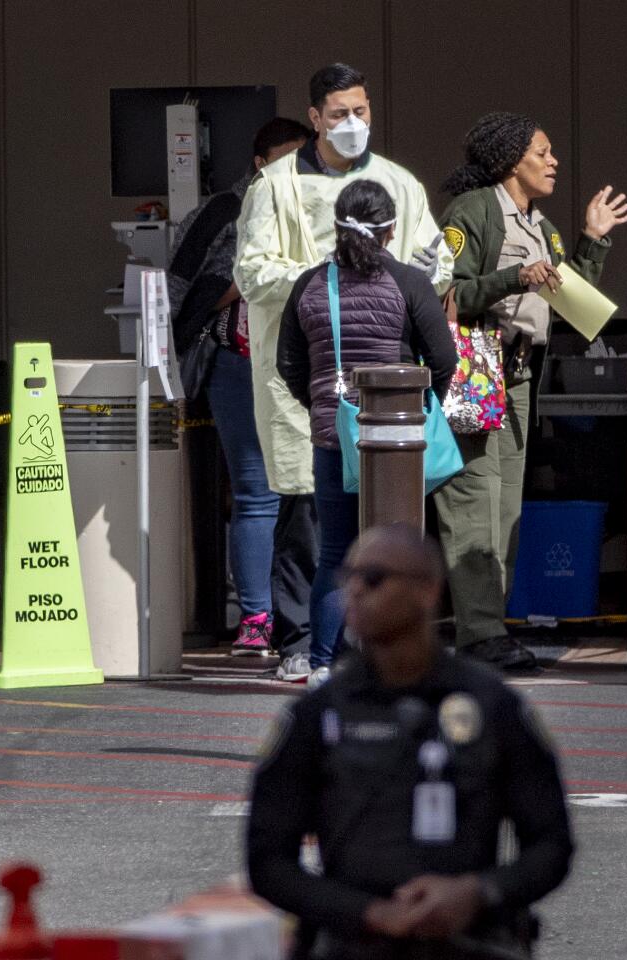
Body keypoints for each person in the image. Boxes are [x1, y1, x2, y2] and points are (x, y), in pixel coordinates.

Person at [246, 524, 573, 960]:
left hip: (468, 940)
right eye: (350, 578)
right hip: (354, 943)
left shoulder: (493, 707)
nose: (355, 591)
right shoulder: (317, 716)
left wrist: (477, 892)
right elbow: (268, 861)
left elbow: (551, 844)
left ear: (427, 590)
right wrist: (369, 912)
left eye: (375, 578)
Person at [234, 64, 454, 667]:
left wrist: (396, 279)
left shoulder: (399, 183)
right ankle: (301, 642)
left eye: (361, 110)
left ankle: (370, 644)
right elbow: (250, 272)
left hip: (382, 389)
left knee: (379, 521)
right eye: (338, 114)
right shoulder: (275, 185)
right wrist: (322, 279)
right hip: (310, 379)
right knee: (308, 519)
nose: (352, 124)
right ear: (315, 119)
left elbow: (436, 266)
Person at [434, 112, 627, 670]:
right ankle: (480, 632)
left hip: (519, 376)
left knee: (505, 511)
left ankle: (487, 629)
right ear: (509, 158)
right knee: (474, 504)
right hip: (476, 369)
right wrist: (513, 278)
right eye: (542, 152)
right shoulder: (473, 212)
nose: (553, 162)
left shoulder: (540, 226)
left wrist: (593, 241)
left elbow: (573, 300)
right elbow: (448, 291)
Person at [277, 180, 457, 685]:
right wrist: (420, 407)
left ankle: (321, 665)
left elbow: (287, 363)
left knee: (335, 551)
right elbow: (443, 359)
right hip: (397, 446)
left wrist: (324, 409)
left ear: (335, 227)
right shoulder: (409, 283)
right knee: (397, 549)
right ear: (391, 231)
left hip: (334, 438)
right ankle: (393, 660)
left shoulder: (310, 285)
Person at [168, 117, 315, 668]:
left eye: (303, 158)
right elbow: (181, 287)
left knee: (308, 491)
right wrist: (248, 279)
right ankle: (256, 616)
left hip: (308, 365)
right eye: (283, 159)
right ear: (258, 163)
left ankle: (305, 614)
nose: (293, 170)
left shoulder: (320, 202)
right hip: (239, 362)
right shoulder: (222, 212)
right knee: (256, 492)